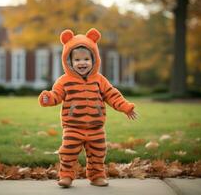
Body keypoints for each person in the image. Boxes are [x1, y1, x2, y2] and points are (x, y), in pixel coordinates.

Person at [38, 28, 137, 188]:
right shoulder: (64, 81)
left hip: (96, 128)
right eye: (77, 60)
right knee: (68, 152)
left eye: (86, 59)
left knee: (98, 154)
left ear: (94, 60)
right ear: (69, 61)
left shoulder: (99, 80)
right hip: (73, 127)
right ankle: (66, 176)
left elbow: (112, 95)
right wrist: (48, 98)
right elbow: (56, 95)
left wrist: (125, 107)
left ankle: (96, 176)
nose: (82, 63)